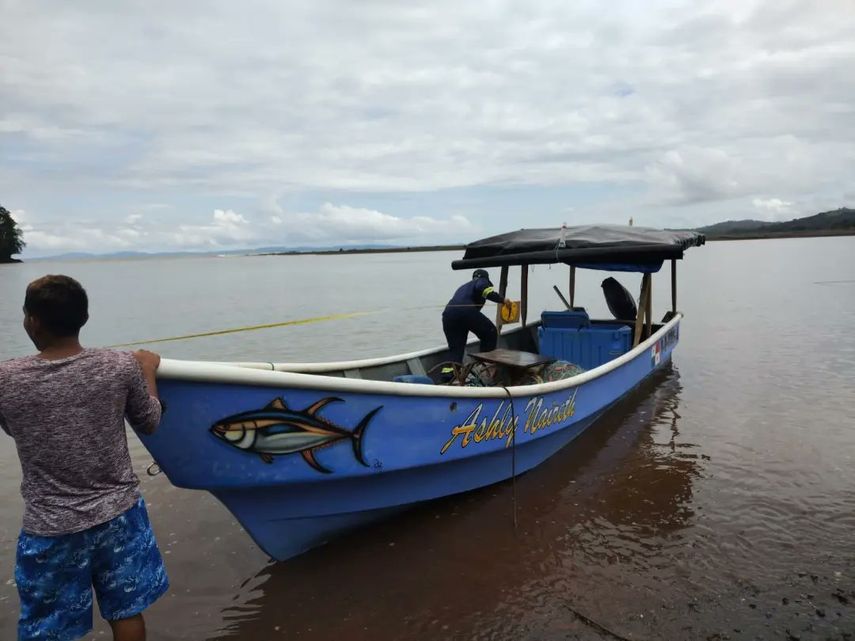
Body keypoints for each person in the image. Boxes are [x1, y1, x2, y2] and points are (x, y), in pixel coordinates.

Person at [0, 275, 168, 641]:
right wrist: (148, 372)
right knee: (126, 611)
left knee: (48, 628)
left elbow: (15, 429)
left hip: (51, 525)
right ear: (84, 317)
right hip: (119, 516)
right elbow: (150, 422)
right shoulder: (120, 366)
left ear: (32, 321)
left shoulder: (5, 378)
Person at [440, 269, 510, 379]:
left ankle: (448, 377)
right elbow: (483, 290)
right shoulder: (482, 281)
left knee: (456, 349)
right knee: (490, 333)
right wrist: (502, 300)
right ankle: (484, 369)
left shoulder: (464, 287)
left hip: (448, 315)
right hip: (465, 312)